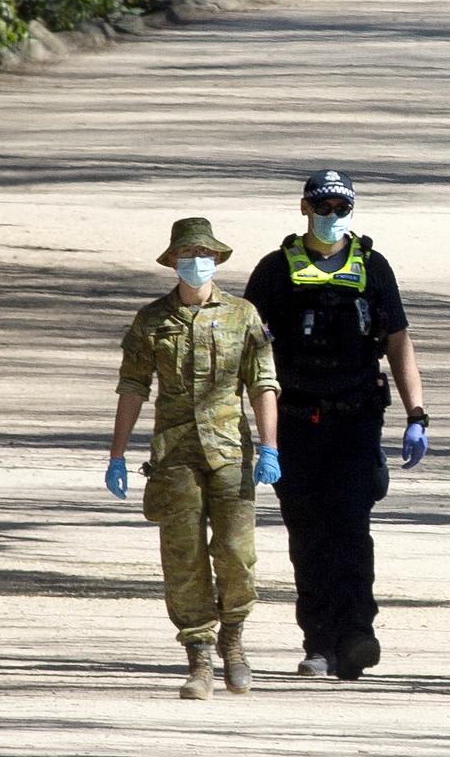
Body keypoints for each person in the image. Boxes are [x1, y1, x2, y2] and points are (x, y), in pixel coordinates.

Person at [243, 169, 429, 681]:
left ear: (352, 210)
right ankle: (319, 642)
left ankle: (357, 634)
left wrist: (417, 414)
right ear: (304, 207)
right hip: (297, 421)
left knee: (352, 529)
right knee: (308, 534)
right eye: (321, 206)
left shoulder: (373, 267)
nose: (331, 216)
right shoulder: (275, 270)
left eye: (340, 208)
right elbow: (249, 352)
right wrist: (265, 440)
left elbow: (398, 344)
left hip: (355, 423)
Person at [103, 217, 281, 701]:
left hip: (229, 453)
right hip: (175, 457)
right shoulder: (152, 321)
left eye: (203, 255)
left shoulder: (243, 315)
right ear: (173, 262)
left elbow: (263, 383)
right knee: (182, 557)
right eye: (186, 256)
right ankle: (199, 653)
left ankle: (235, 640)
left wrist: (270, 446)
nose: (195, 263)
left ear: (217, 260)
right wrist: (117, 454)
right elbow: (132, 387)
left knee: (237, 554)